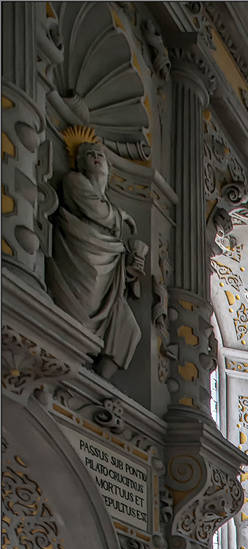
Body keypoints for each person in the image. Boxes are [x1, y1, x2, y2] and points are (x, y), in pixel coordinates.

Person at [46, 131, 146, 376]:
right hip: (82, 260)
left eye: (99, 154)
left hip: (107, 268)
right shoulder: (74, 181)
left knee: (129, 328)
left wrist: (131, 262)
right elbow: (97, 213)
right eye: (89, 155)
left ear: (109, 168)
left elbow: (114, 250)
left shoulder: (108, 203)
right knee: (78, 321)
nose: (95, 157)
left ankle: (99, 380)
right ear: (79, 163)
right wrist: (122, 215)